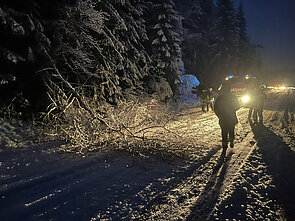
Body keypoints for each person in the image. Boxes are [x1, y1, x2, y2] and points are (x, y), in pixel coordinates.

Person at [214, 84, 240, 152]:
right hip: (231, 117)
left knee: (224, 132)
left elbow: (215, 108)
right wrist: (232, 110)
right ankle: (231, 141)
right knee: (231, 130)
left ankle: (224, 146)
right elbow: (237, 106)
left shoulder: (219, 98)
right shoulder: (233, 97)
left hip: (223, 118)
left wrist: (219, 116)